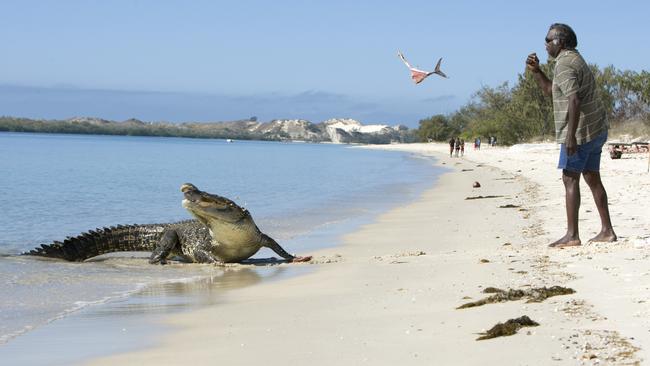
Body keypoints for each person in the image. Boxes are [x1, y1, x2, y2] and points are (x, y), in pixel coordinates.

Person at [526, 23, 616, 248]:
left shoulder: (565, 64)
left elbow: (574, 99)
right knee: (592, 177)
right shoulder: (573, 59)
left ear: (560, 42)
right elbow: (551, 91)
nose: (545, 44)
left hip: (581, 132)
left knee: (569, 177)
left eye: (549, 40)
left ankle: (572, 235)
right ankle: (607, 231)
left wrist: (571, 137)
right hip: (596, 128)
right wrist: (537, 72)